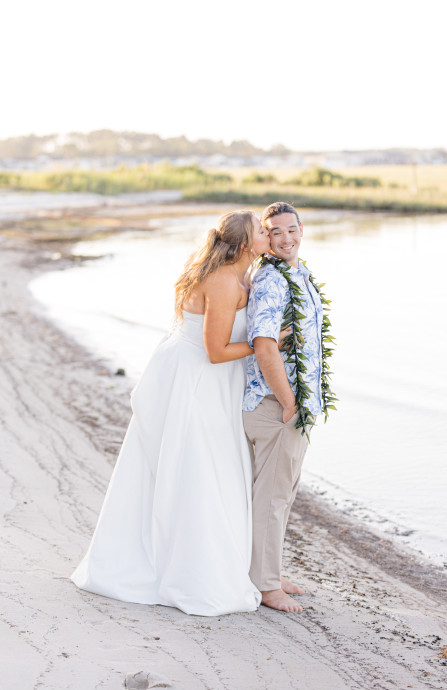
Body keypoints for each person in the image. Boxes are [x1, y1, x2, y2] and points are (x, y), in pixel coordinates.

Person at [71, 210, 271, 616]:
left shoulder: (242, 274)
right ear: (245, 245)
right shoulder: (223, 279)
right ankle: (192, 571)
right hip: (196, 382)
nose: (268, 233)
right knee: (199, 470)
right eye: (261, 230)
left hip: (206, 379)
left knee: (205, 468)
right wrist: (268, 343)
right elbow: (216, 351)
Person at [243, 201, 335, 613]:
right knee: (272, 498)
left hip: (295, 404)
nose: (285, 239)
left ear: (302, 230)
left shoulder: (299, 273)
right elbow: (264, 346)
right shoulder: (270, 280)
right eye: (275, 232)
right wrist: (288, 402)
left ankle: (270, 571)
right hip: (274, 405)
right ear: (264, 237)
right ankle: (265, 586)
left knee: (283, 493)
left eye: (291, 230)